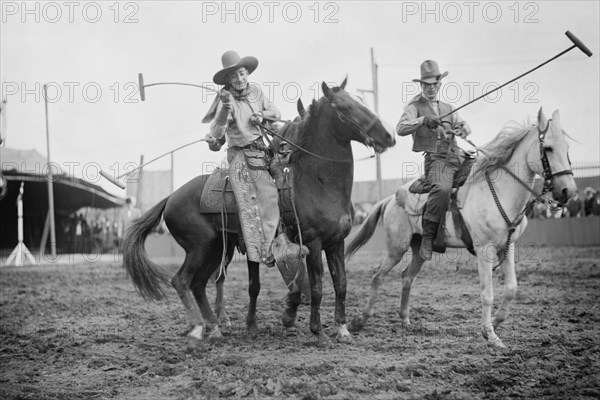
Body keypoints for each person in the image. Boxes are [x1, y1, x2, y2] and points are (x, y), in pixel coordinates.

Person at [203, 50, 302, 265]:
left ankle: (290, 235)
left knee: (290, 179)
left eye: (242, 74)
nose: (239, 79)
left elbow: (275, 112)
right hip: (241, 155)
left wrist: (262, 115)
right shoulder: (224, 100)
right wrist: (225, 109)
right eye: (234, 76)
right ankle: (265, 251)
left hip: (264, 151)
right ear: (227, 80)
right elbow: (217, 132)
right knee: (267, 196)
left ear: (247, 73)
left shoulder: (256, 91)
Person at [397, 60, 471, 260]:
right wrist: (422, 120)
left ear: (439, 85)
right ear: (421, 86)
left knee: (485, 173)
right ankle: (428, 236)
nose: (430, 88)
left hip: (457, 154)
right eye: (426, 85)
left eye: (434, 85)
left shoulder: (448, 106)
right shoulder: (414, 106)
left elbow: (465, 126)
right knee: (443, 188)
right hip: (436, 158)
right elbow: (401, 128)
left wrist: (462, 129)